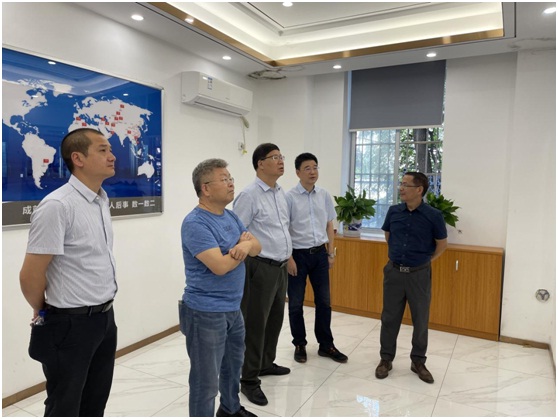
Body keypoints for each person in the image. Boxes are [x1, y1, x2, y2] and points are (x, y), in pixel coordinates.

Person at [19, 128, 118, 416]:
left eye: (110, 149)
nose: (112, 156)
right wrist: (45, 310)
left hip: (105, 318)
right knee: (64, 406)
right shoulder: (57, 205)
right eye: (102, 150)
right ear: (78, 158)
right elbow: (30, 274)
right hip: (69, 325)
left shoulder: (101, 200)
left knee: (95, 402)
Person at [179, 158, 261, 417]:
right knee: (205, 382)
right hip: (205, 311)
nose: (231, 183)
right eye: (224, 179)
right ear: (205, 188)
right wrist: (241, 247)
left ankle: (230, 409)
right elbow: (220, 266)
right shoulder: (195, 223)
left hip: (233, 308)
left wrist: (244, 246)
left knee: (232, 368)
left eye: (231, 178)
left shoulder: (231, 216)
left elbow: (256, 247)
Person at [232, 143, 292, 407]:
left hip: (280, 267)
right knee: (256, 324)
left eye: (281, 156)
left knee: (275, 319)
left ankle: (266, 363)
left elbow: (282, 228)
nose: (280, 161)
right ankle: (248, 379)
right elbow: (237, 233)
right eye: (274, 157)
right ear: (260, 164)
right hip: (260, 267)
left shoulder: (280, 192)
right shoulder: (249, 195)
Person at [375, 171, 448, 384]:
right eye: (401, 183)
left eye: (406, 185)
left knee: (420, 319)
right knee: (389, 317)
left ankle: (418, 361)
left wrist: (424, 261)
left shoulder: (433, 215)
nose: (401, 188)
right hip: (394, 272)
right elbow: (388, 236)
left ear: (419, 190)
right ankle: (386, 359)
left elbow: (442, 244)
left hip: (419, 275)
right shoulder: (394, 211)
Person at [286, 153, 348, 364]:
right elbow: (284, 229)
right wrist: (288, 258)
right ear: (297, 172)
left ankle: (326, 345)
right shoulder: (289, 197)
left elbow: (329, 225)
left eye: (315, 167)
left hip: (320, 254)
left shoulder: (324, 195)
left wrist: (331, 253)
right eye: (307, 168)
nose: (312, 172)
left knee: (324, 302)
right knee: (295, 303)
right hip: (297, 255)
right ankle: (299, 344)